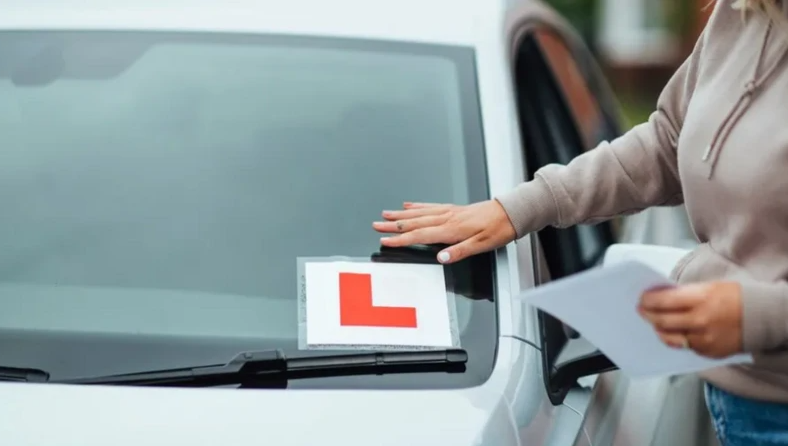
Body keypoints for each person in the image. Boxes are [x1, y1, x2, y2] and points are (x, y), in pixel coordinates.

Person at [373, 0, 788, 444]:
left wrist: (757, 316)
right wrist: (520, 207)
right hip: (736, 400)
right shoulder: (743, 13)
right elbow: (669, 141)